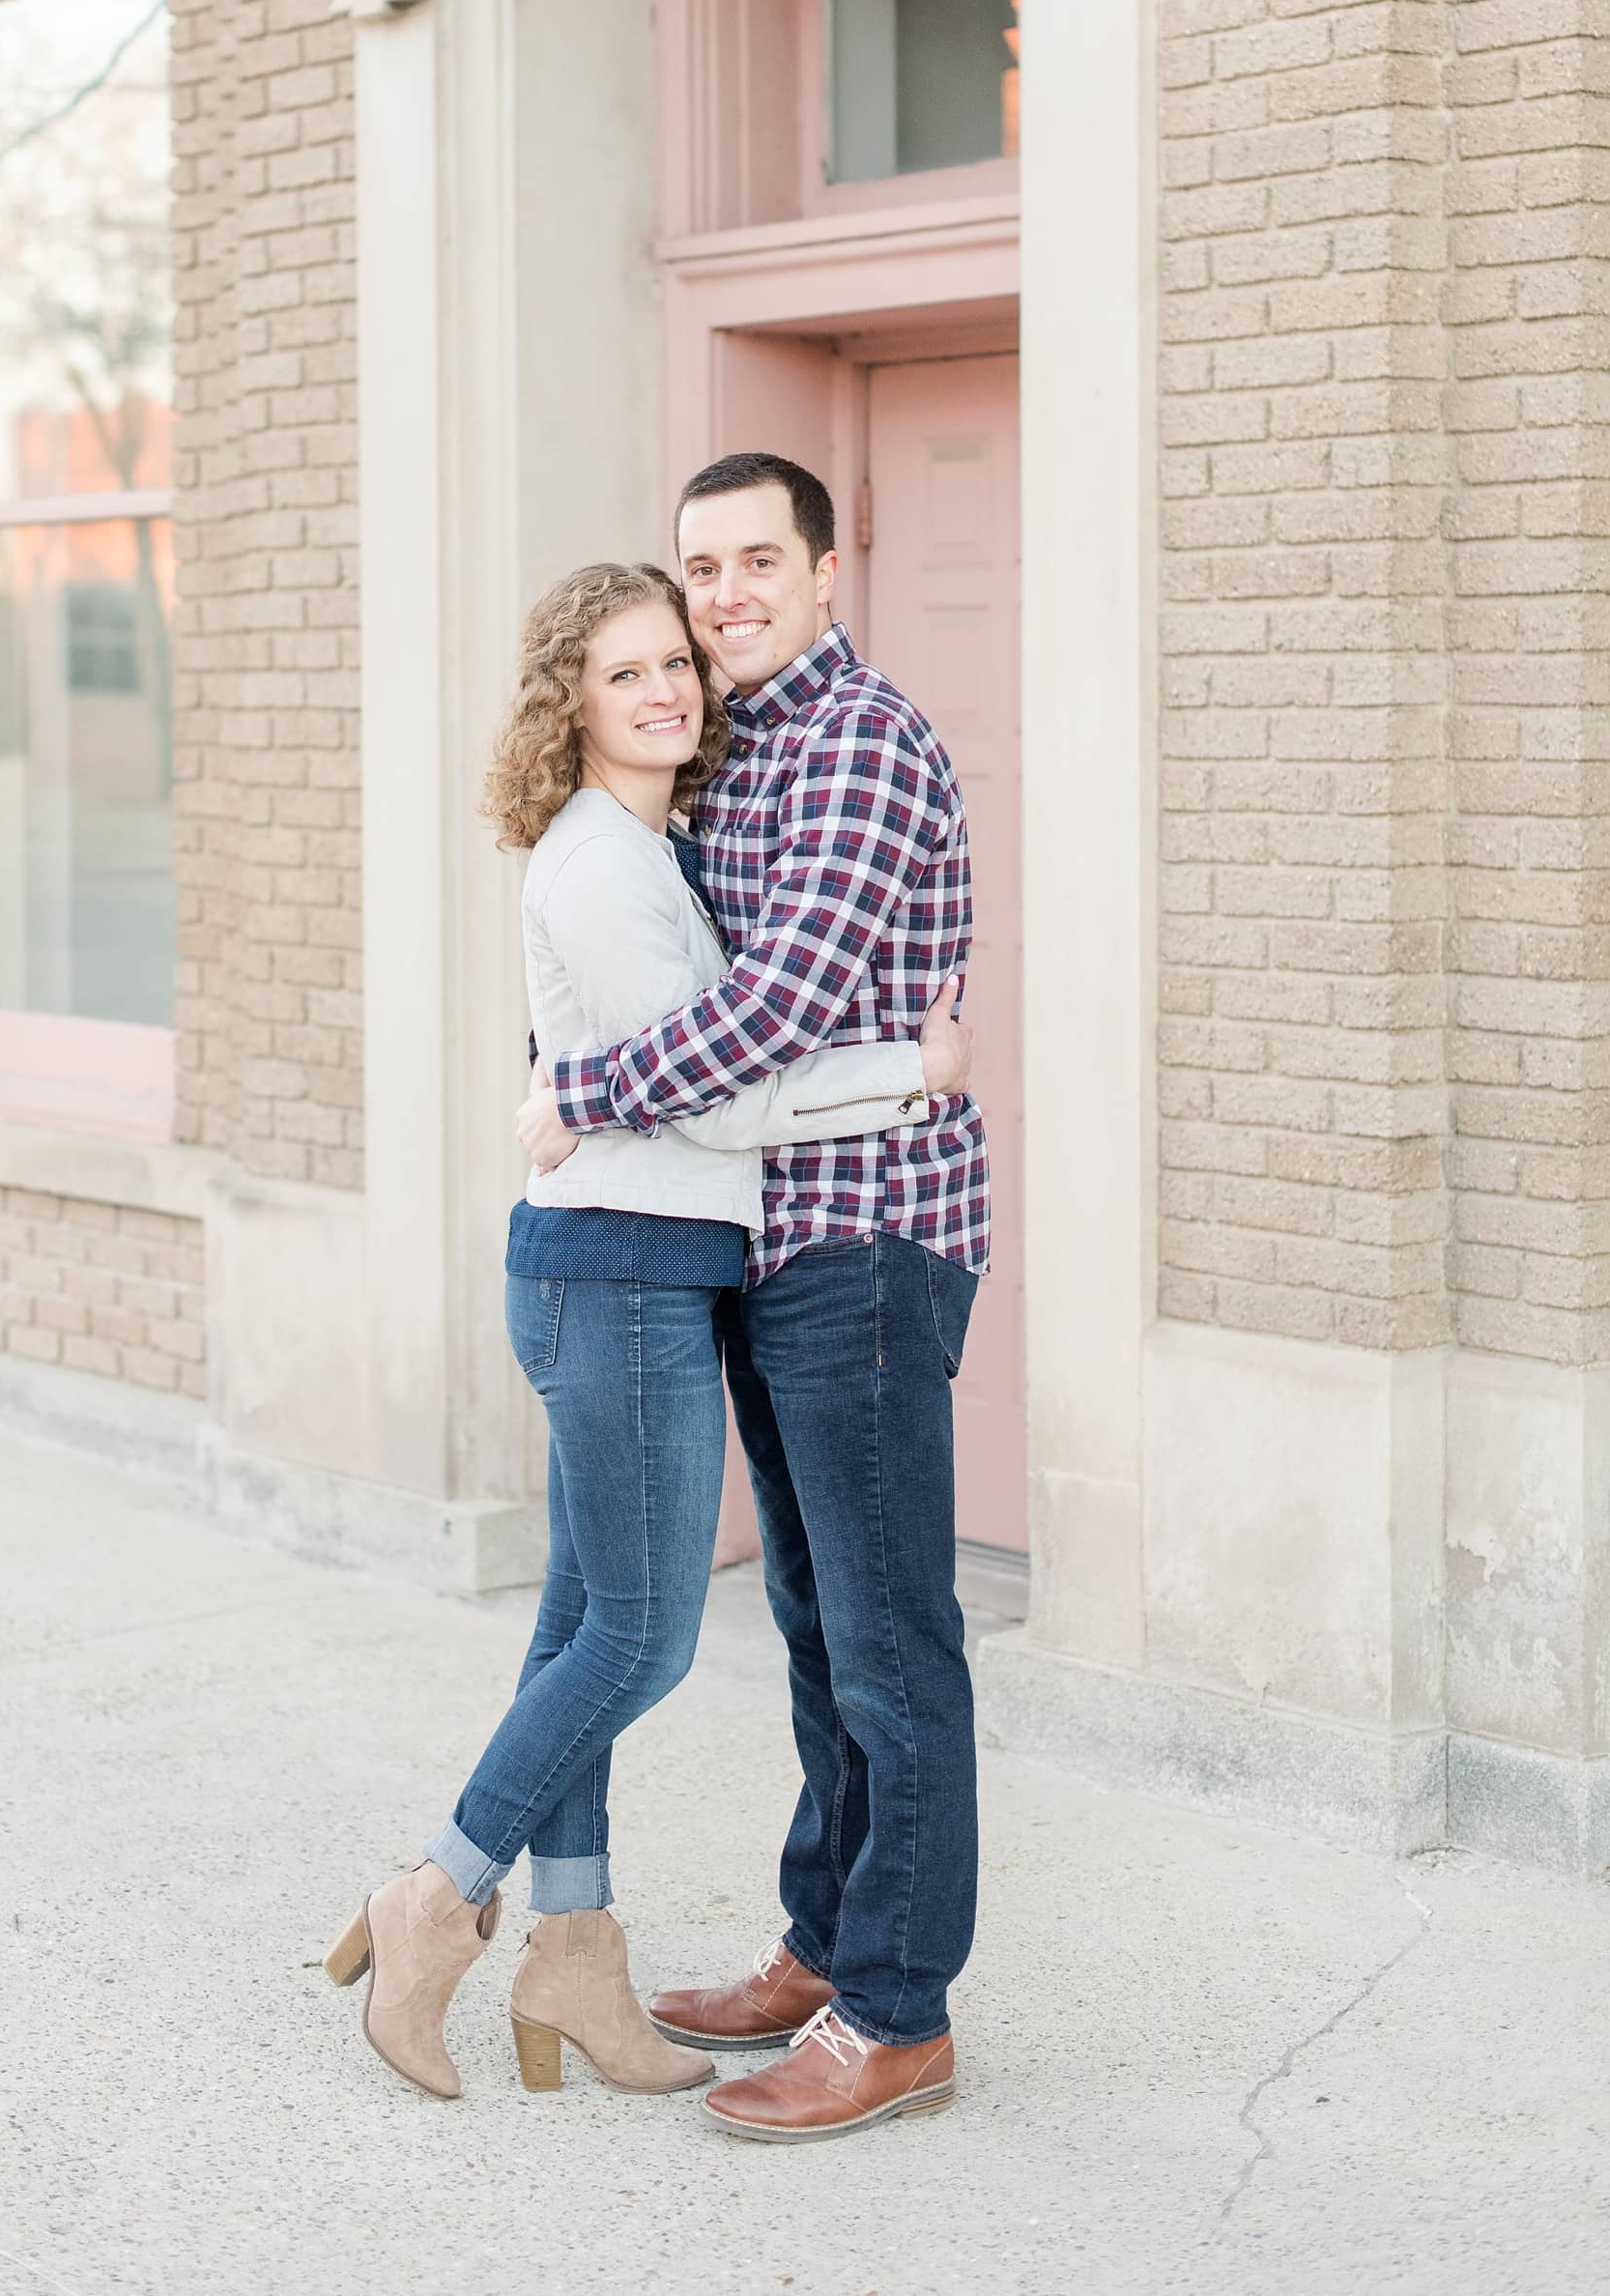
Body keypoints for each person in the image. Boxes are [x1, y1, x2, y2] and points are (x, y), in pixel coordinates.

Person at [324, 560, 971, 2103]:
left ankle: (575, 1950)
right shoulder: (604, 865)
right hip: (616, 1272)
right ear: (573, 702)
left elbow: (656, 1059)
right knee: (644, 1631)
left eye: (676, 662)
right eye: (628, 673)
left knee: (579, 1623)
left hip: (643, 1263)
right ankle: (436, 1892)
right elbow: (725, 1089)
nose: (671, 687)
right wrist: (913, 1069)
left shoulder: (649, 844)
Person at [516, 451, 990, 2143]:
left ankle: (897, 2011)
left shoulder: (859, 740)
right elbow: (639, 967)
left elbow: (772, 1004)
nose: (722, 596)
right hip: (761, 1243)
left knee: (889, 1638)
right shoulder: (725, 754)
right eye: (698, 568)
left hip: (861, 1242)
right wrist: (565, 1052)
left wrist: (581, 1094)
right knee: (811, 1624)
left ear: (828, 569)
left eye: (756, 563)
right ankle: (824, 1939)